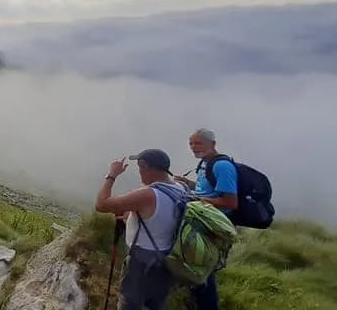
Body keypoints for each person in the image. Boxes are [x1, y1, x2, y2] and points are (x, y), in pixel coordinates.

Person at [95, 149, 186, 310]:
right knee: (155, 304)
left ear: (144, 166)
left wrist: (112, 175)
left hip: (142, 260)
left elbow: (101, 204)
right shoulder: (180, 188)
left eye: (139, 168)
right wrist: (130, 217)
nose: (139, 172)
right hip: (168, 258)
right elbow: (159, 218)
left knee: (129, 303)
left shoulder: (148, 194)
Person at [174, 128, 238, 310]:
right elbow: (209, 190)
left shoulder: (222, 166)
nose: (193, 147)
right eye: (191, 144)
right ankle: (193, 302)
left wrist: (198, 199)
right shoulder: (205, 163)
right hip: (201, 222)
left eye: (198, 143)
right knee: (194, 265)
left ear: (213, 144)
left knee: (203, 269)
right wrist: (189, 185)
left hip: (212, 227)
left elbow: (230, 201)